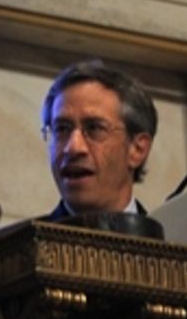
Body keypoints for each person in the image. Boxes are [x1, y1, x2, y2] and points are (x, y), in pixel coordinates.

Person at [40, 59, 157, 219]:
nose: (73, 147)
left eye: (94, 128)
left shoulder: (174, 234)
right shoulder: (24, 236)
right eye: (62, 129)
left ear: (137, 149)